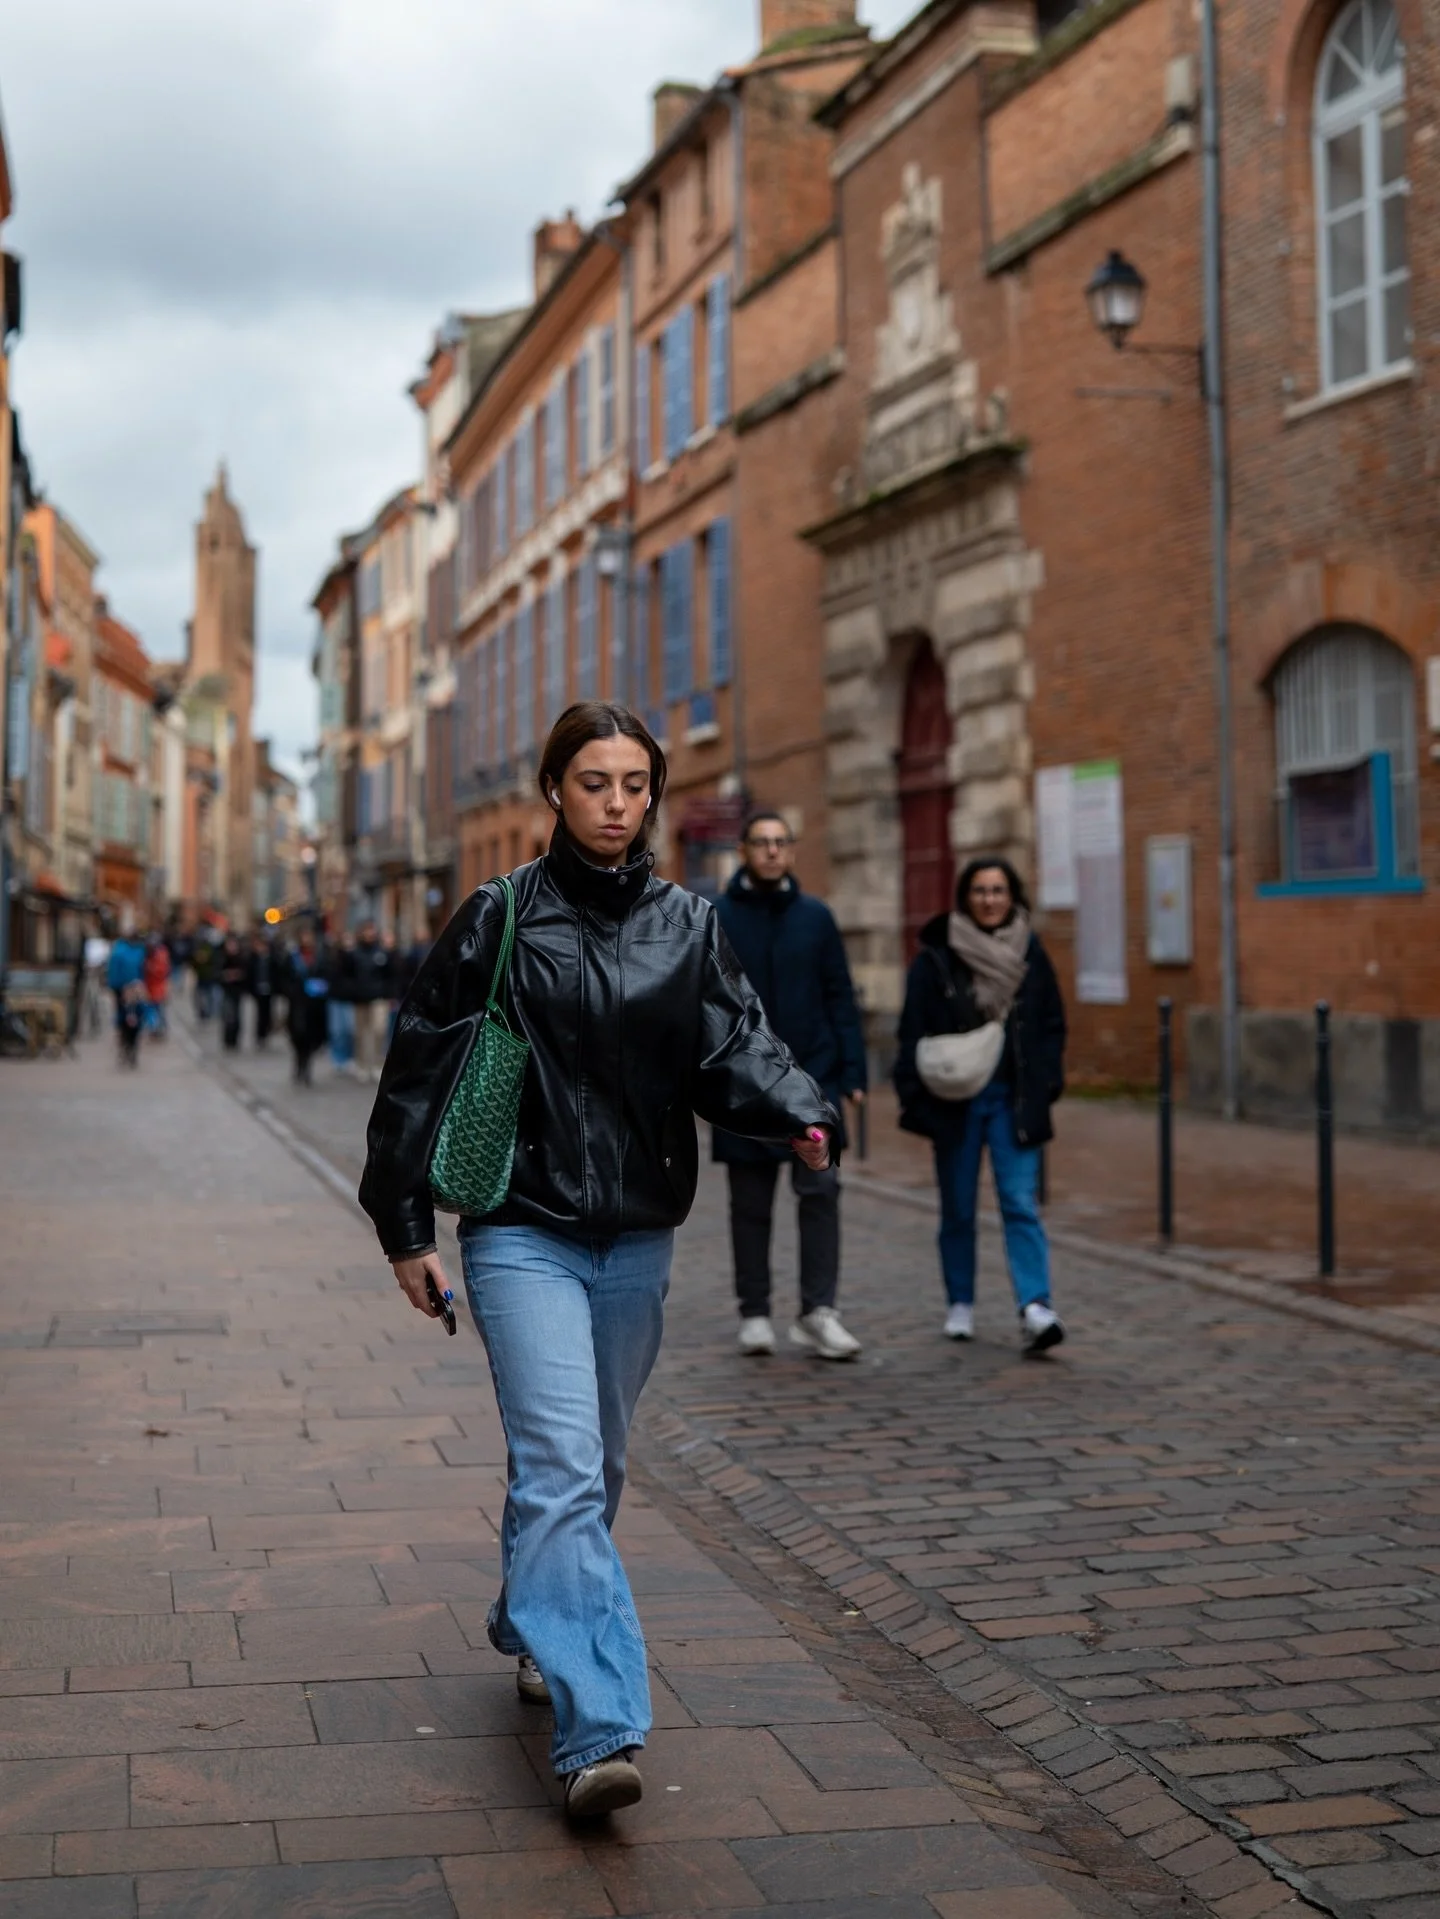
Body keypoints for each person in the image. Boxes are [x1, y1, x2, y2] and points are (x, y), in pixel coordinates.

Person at [359, 701, 835, 1823]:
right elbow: (417, 1071)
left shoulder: (689, 922)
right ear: (554, 791)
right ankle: (600, 1727)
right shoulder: (500, 915)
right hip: (520, 1227)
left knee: (595, 1460)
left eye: (634, 784)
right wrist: (406, 1230)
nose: (617, 803)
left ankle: (535, 1615)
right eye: (594, 782)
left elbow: (734, 1046)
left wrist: (799, 1110)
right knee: (564, 1457)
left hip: (636, 1230)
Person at [894, 856, 1068, 1355]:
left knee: (1019, 1203)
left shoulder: (1030, 953)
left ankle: (1035, 1306)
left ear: (1012, 896)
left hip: (1015, 1101)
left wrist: (1048, 1083)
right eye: (980, 891)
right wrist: (914, 1095)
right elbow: (912, 1030)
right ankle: (961, 1302)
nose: (990, 900)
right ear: (965, 899)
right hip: (956, 1104)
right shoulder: (937, 956)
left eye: (998, 891)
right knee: (958, 1208)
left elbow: (1052, 1024)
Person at [713, 811, 868, 1361]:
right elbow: (708, 1003)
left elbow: (840, 997)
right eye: (762, 843)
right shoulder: (718, 916)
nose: (773, 852)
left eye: (781, 843)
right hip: (745, 1086)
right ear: (744, 850)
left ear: (792, 851)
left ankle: (817, 1312)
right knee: (750, 1204)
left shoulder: (816, 918)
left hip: (815, 1081)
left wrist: (853, 1073)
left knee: (821, 1194)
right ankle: (754, 1312)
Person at [283, 930, 330, 1084]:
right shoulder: (293, 958)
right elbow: (284, 978)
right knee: (298, 1035)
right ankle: (299, 1064)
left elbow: (327, 976)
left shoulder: (320, 957)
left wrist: (320, 987)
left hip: (314, 1005)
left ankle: (307, 1068)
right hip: (297, 1003)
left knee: (311, 1037)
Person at [350, 921, 393, 1080]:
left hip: (378, 997)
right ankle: (362, 1064)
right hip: (360, 998)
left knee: (378, 1031)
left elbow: (391, 974)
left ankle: (376, 1063)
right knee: (361, 1033)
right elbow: (348, 974)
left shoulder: (381, 952)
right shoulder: (355, 953)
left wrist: (388, 993)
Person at [106, 930, 147, 1068]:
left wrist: (115, 988)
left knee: (123, 1018)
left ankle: (125, 1044)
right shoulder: (139, 951)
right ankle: (131, 1047)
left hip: (121, 990)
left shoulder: (118, 951)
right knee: (135, 1018)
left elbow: (112, 973)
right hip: (135, 989)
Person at [327, 930, 357, 1075]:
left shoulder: (354, 957)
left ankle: (348, 1057)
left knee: (349, 1030)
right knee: (337, 1030)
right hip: (336, 997)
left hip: (349, 997)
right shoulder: (334, 958)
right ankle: (337, 1058)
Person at [217, 933, 248, 1052]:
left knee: (237, 1015)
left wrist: (238, 975)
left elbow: (246, 973)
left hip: (237, 991)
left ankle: (235, 1038)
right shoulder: (222, 957)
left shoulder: (241, 958)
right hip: (226, 990)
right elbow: (217, 973)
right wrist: (225, 976)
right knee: (228, 1015)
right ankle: (228, 1038)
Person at [248, 933, 277, 1049]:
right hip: (258, 990)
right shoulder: (254, 959)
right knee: (260, 1014)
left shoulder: (271, 959)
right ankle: (260, 1035)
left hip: (269, 990)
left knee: (268, 1013)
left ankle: (266, 1033)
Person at [142, 935, 172, 1040]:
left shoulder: (160, 956)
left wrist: (150, 968)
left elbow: (162, 972)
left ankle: (159, 1029)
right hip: (150, 988)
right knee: (152, 1010)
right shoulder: (148, 956)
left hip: (158, 988)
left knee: (159, 1010)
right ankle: (155, 1028)